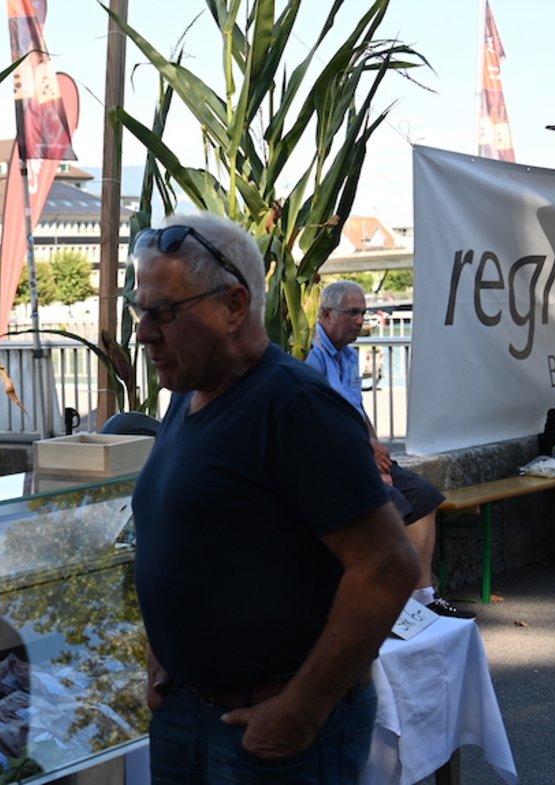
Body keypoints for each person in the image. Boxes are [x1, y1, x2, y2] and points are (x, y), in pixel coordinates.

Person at [129, 213, 420, 784]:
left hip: (269, 729)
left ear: (235, 306)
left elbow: (387, 565)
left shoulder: (294, 406)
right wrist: (169, 652)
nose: (143, 333)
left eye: (163, 312)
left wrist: (302, 708)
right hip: (189, 711)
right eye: (140, 311)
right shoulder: (188, 395)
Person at [306, 281, 475, 620]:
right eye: (352, 313)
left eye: (363, 313)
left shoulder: (349, 356)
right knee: (392, 507)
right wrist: (367, 456)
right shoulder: (311, 360)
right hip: (338, 463)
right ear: (326, 314)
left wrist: (374, 442)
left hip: (363, 454)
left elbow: (357, 409)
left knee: (425, 496)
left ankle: (423, 597)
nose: (360, 320)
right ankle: (385, 602)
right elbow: (321, 429)